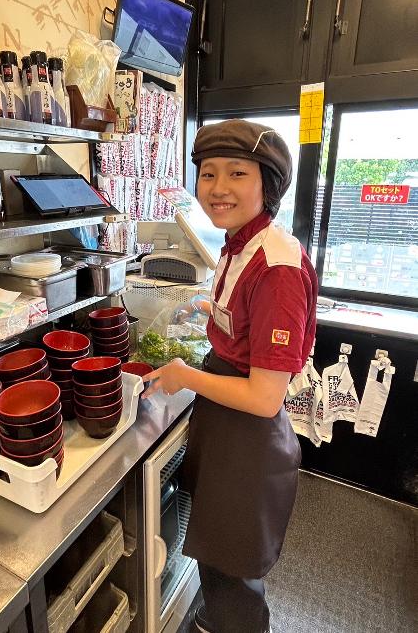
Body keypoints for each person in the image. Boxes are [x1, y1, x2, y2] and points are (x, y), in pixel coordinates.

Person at [143, 119, 318, 633]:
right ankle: (213, 620)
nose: (218, 187)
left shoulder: (277, 267)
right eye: (208, 173)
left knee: (235, 564)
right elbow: (244, 321)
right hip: (226, 421)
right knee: (217, 552)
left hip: (249, 433)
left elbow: (264, 397)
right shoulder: (240, 243)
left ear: (267, 183)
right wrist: (206, 307)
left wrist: (184, 375)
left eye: (237, 173)